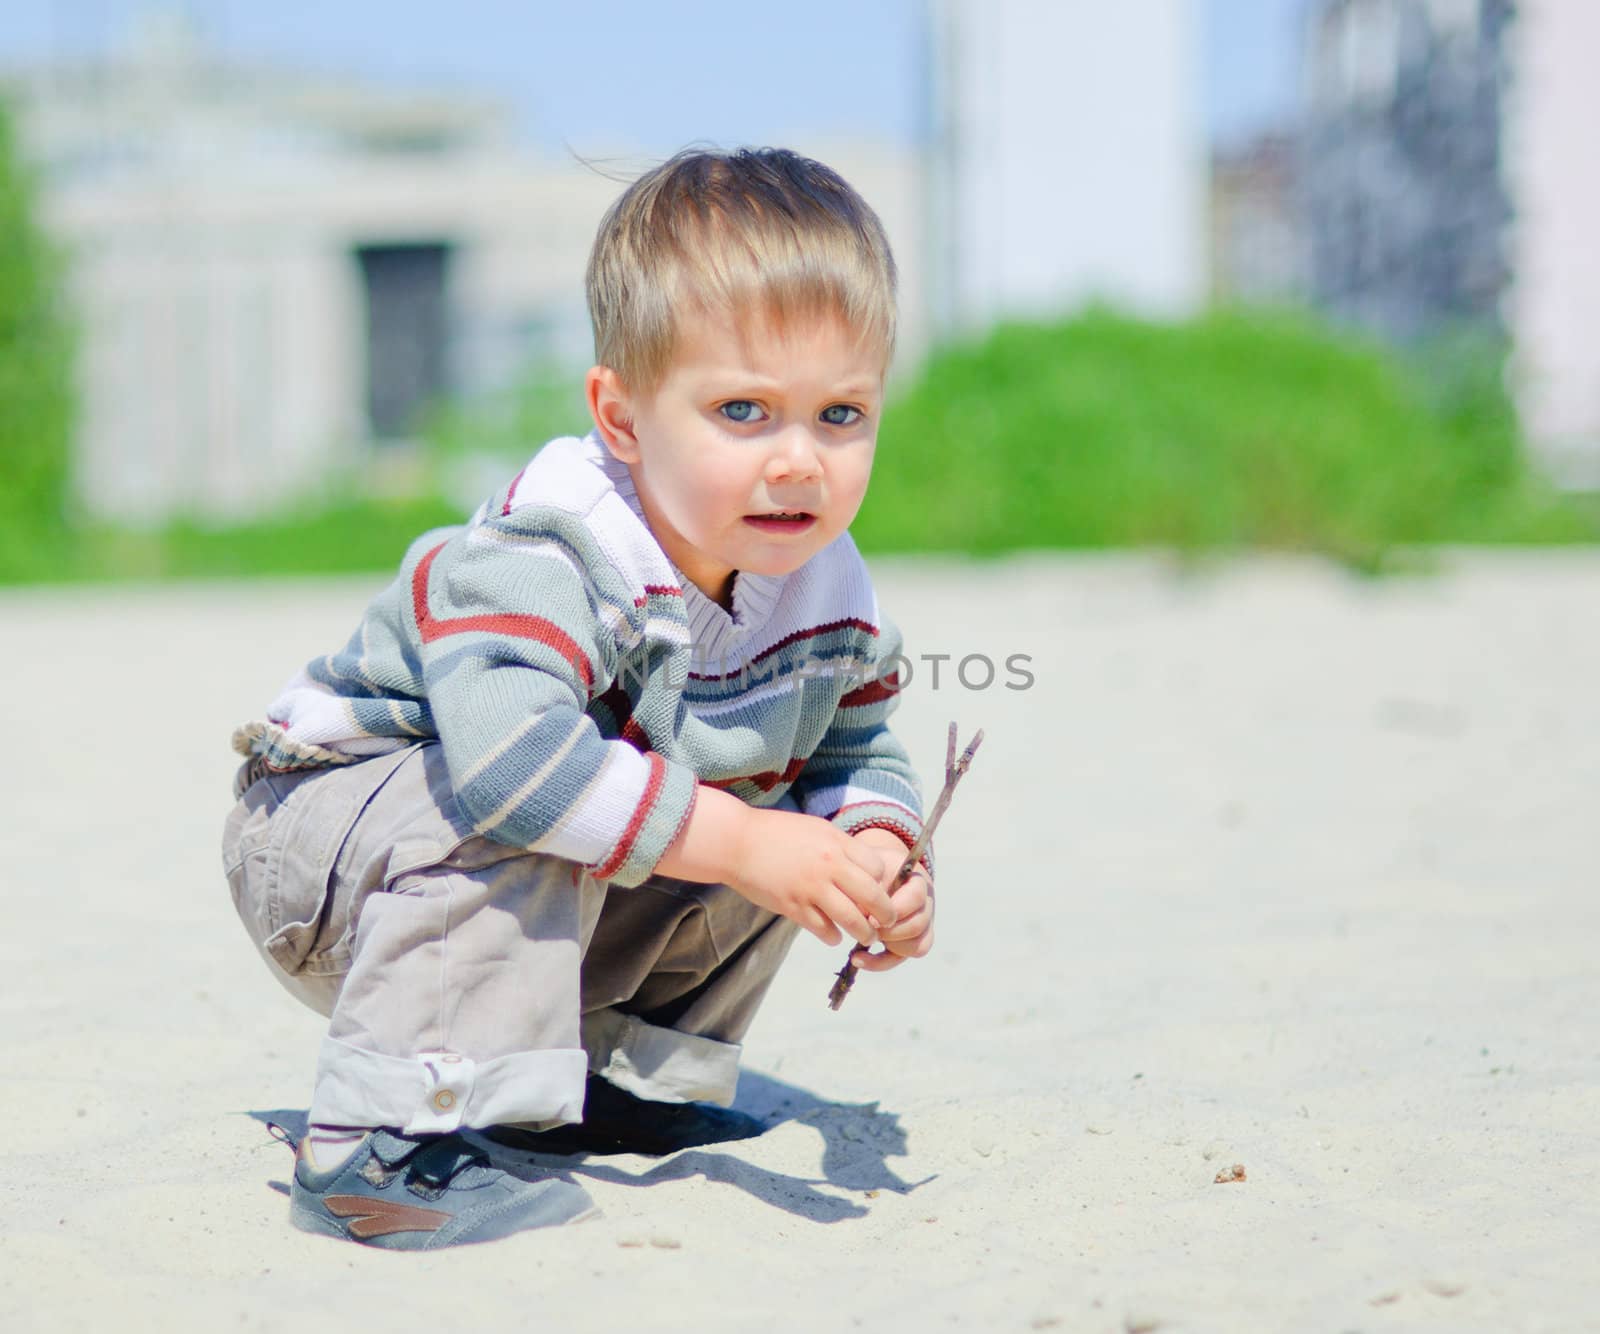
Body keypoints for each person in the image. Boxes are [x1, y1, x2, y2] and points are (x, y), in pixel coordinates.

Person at [221, 146, 933, 1250]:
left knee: (778, 813)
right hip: (332, 845)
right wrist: (744, 842)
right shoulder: (554, 545)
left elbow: (858, 746)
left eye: (840, 415)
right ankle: (376, 1145)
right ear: (623, 415)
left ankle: (608, 1083)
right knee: (571, 786)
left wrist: (875, 845)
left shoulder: (824, 587)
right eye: (742, 410)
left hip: (506, 884)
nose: (799, 461)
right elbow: (511, 763)